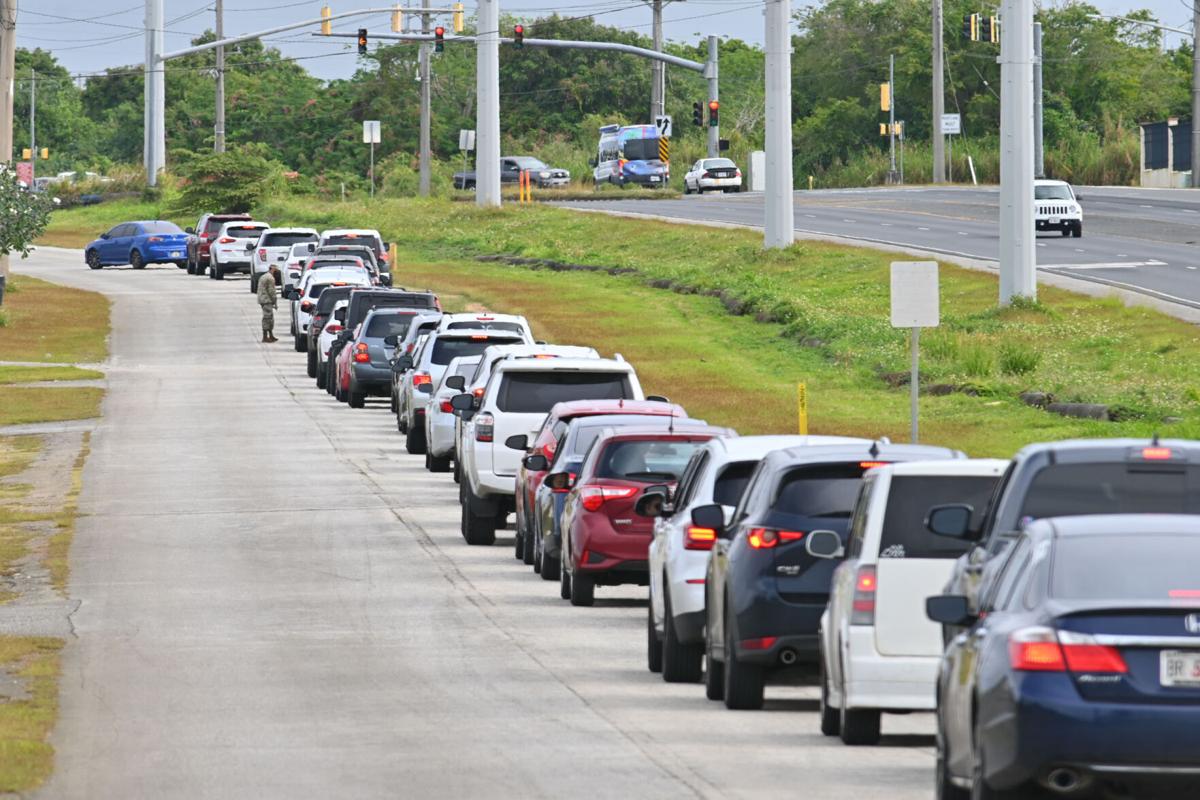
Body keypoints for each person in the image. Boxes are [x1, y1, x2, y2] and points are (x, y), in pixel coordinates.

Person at [257, 265, 280, 343]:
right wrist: (275, 302)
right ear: (272, 270)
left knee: (270, 318)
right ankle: (265, 337)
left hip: (263, 299)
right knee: (267, 318)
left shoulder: (264, 276)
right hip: (266, 300)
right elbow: (272, 291)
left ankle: (270, 335)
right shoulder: (270, 278)